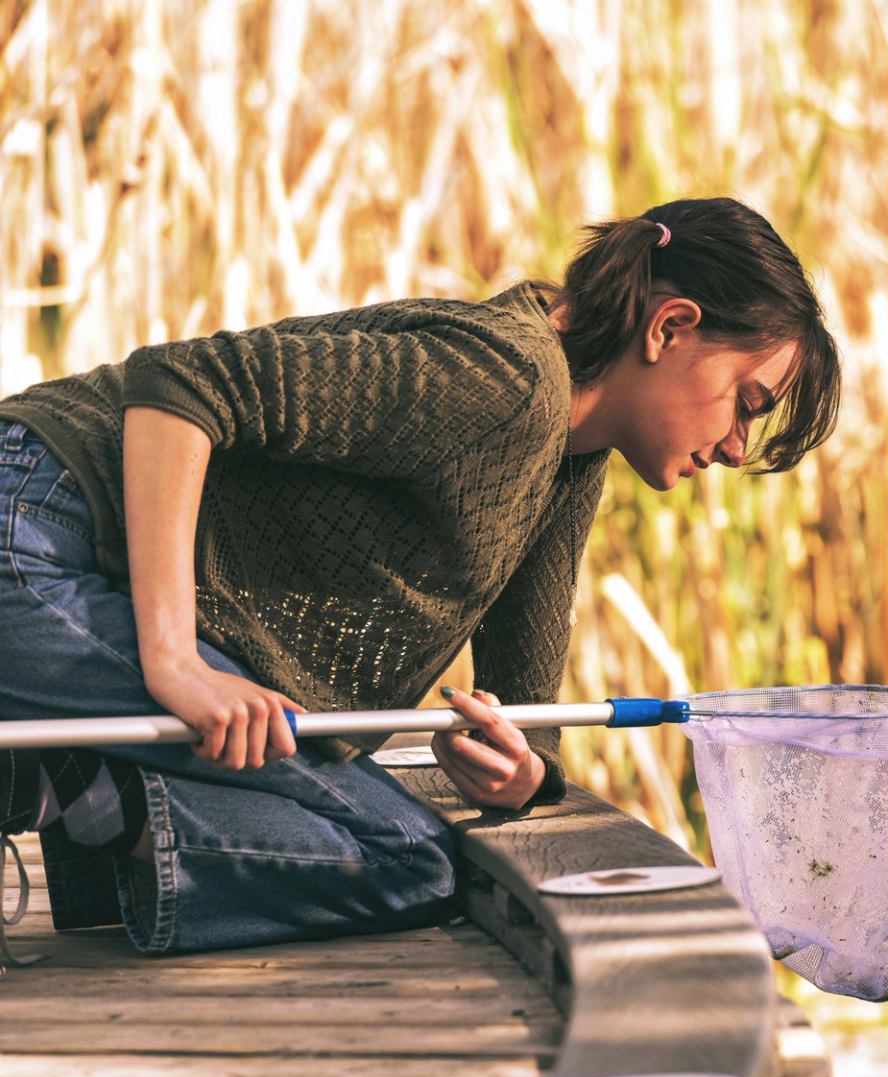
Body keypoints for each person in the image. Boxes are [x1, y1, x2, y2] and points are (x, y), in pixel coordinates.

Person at [0, 196, 840, 961]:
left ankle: (50, 782)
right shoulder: (506, 380)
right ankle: (60, 782)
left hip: (64, 555)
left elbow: (525, 713)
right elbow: (178, 385)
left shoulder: (568, 458)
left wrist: (522, 773)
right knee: (401, 856)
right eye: (750, 401)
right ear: (669, 327)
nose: (737, 448)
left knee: (408, 854)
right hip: (32, 521)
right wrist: (174, 660)